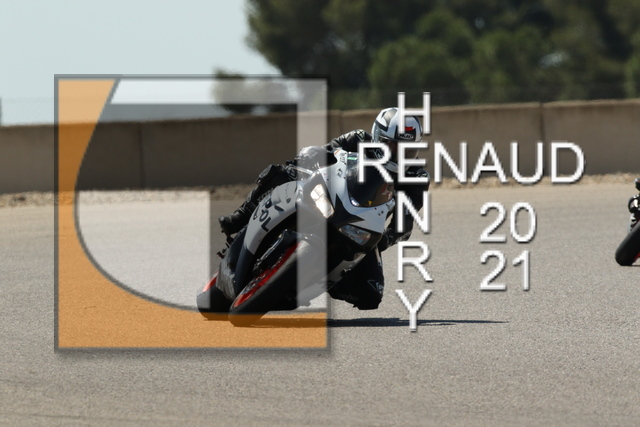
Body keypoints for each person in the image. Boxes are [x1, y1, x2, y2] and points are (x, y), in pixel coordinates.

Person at [218, 107, 430, 310]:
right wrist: (311, 155)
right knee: (281, 173)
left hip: (362, 226)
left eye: (407, 149)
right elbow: (325, 152)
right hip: (329, 198)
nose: (398, 154)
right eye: (392, 145)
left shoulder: (417, 177)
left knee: (370, 294)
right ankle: (241, 216)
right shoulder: (358, 139)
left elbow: (405, 222)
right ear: (377, 136)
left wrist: (385, 239)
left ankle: (315, 281)